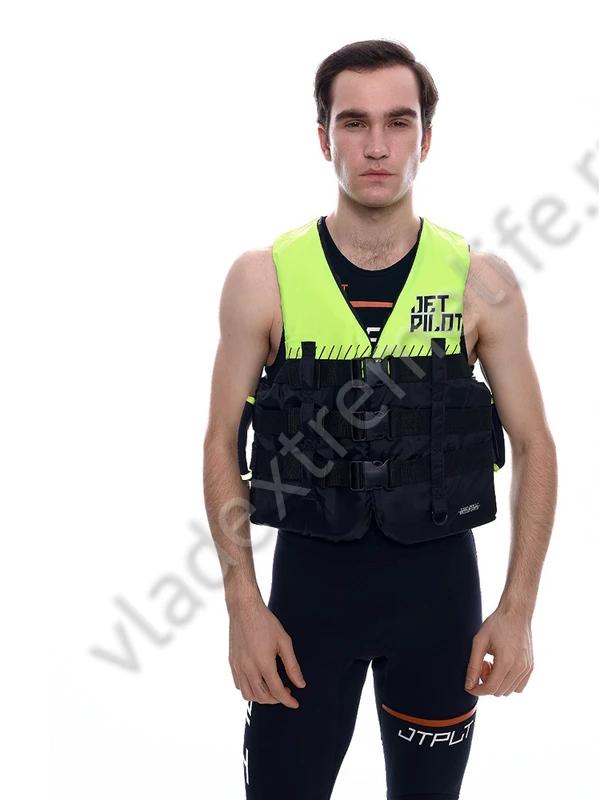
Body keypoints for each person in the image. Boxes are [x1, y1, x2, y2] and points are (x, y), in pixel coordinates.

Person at [203, 39, 558, 800]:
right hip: (304, 608)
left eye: (398, 122)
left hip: (439, 604)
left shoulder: (480, 285)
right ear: (323, 137)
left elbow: (534, 445)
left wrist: (518, 610)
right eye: (353, 122)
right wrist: (242, 606)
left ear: (425, 140)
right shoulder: (263, 279)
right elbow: (220, 442)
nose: (376, 145)